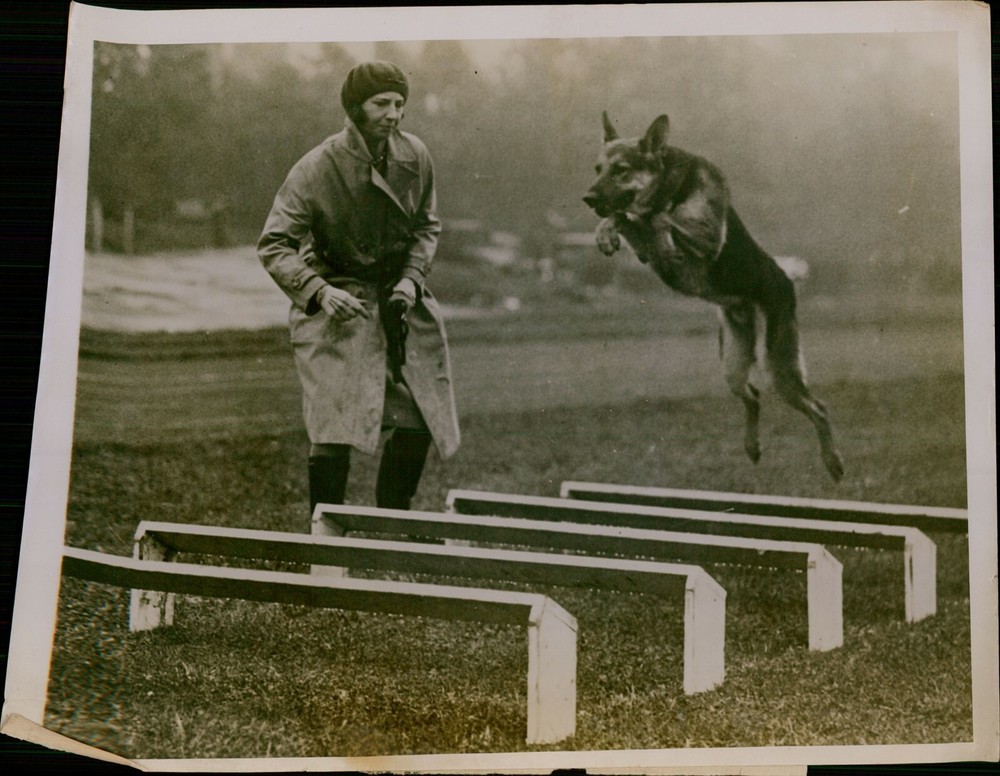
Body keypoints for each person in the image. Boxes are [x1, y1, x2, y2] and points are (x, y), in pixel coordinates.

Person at [258, 61, 460, 520]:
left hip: (398, 302)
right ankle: (326, 538)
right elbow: (274, 244)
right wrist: (319, 291)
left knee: (421, 415)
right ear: (355, 108)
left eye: (399, 103)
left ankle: (393, 522)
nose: (393, 113)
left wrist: (412, 278)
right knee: (333, 426)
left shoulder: (416, 155)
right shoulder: (316, 167)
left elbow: (427, 225)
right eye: (381, 103)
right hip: (337, 306)